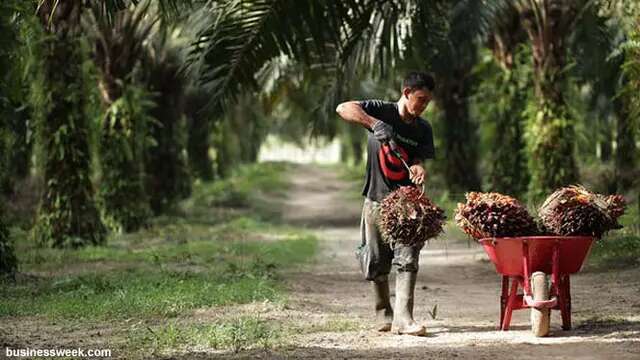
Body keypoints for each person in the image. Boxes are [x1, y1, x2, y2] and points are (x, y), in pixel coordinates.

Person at [335, 72, 435, 336]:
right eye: (420, 99)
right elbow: (343, 107)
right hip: (375, 200)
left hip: (406, 204)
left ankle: (404, 318)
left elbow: (417, 159)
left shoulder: (423, 129)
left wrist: (418, 168)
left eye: (427, 102)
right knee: (377, 261)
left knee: (408, 257)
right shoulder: (382, 110)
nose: (423, 106)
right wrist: (372, 123)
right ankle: (384, 312)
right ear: (405, 92)